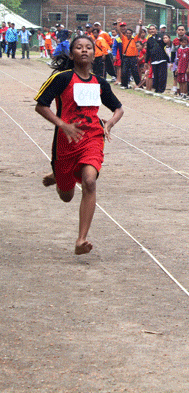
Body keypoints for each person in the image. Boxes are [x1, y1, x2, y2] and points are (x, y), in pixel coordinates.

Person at [34, 35, 124, 255]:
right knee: (66, 196)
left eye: (88, 47)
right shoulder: (62, 78)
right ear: (72, 53)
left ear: (95, 53)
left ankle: (81, 240)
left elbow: (118, 108)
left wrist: (109, 124)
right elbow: (41, 105)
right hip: (66, 141)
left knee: (89, 182)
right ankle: (59, 176)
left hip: (92, 137)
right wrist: (62, 124)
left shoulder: (100, 83)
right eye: (78, 47)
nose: (84, 50)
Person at [145, 24, 169, 93]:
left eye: (153, 29)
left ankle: (161, 89)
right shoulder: (149, 40)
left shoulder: (161, 37)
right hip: (154, 60)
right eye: (150, 29)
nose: (152, 30)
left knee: (162, 75)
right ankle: (157, 88)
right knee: (156, 75)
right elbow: (148, 51)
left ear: (156, 30)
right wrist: (146, 61)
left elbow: (166, 44)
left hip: (162, 59)